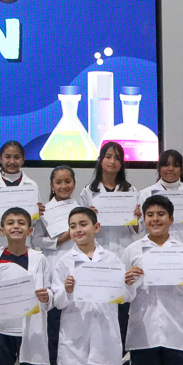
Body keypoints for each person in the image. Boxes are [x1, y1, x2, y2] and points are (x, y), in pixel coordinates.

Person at [122, 195, 183, 365]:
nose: (155, 219)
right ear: (143, 219)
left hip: (175, 330)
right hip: (144, 331)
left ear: (171, 219)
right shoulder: (132, 251)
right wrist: (128, 281)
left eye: (161, 214)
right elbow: (123, 296)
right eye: (150, 215)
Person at [51, 206, 129, 365]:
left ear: (96, 227)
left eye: (83, 224)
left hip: (105, 342)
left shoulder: (112, 260)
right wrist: (67, 290)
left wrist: (128, 283)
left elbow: (126, 297)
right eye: (73, 226)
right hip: (75, 344)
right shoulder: (63, 262)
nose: (78, 230)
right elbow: (58, 302)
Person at [0, 206, 53, 365]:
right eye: (10, 223)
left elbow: (51, 291)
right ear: (2, 230)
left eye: (21, 223)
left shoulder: (40, 259)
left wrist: (47, 296)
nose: (16, 227)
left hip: (30, 329)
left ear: (30, 230)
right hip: (2, 329)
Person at [138, 150, 183, 341]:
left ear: (181, 169)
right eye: (166, 164)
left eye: (175, 165)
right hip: (156, 260)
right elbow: (138, 228)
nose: (170, 169)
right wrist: (135, 216)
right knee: (156, 313)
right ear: (159, 167)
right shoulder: (146, 194)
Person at [79, 141, 138, 344]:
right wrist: (89, 217)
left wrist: (137, 217)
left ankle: (119, 354)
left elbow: (137, 229)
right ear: (100, 160)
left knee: (121, 307)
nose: (112, 162)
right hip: (97, 254)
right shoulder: (88, 192)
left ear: (122, 164)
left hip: (122, 253)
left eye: (117, 158)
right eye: (108, 157)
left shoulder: (131, 191)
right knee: (98, 305)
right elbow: (80, 228)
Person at [32, 165, 77, 365]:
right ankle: (52, 361)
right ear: (51, 185)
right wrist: (60, 240)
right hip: (52, 264)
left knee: (75, 313)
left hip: (75, 266)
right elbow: (36, 240)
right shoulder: (44, 211)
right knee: (53, 316)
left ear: (74, 184)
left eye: (67, 181)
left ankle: (73, 360)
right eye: (58, 182)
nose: (63, 186)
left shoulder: (81, 209)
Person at [0, 140, 39, 251]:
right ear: (0, 158)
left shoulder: (31, 185)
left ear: (23, 159)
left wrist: (36, 213)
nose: (12, 161)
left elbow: (34, 223)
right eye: (7, 157)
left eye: (16, 157)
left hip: (24, 243)